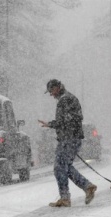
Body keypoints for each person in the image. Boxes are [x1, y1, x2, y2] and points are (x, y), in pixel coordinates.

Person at [38, 79, 97, 207]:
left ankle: (65, 197)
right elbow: (72, 119)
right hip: (72, 138)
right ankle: (87, 187)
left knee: (59, 167)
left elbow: (65, 121)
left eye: (51, 91)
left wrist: (51, 124)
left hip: (68, 139)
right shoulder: (69, 98)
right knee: (65, 167)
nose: (51, 94)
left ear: (57, 87)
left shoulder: (64, 100)